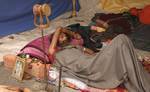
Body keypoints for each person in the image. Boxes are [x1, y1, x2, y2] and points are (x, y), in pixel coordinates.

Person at [48, 28, 150, 92]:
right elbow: (51, 50)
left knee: (122, 44)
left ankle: (138, 76)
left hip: (93, 61)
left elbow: (91, 52)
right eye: (60, 37)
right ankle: (140, 80)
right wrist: (58, 30)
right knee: (121, 39)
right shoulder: (57, 53)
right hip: (88, 67)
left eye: (64, 36)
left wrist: (106, 54)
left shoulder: (74, 46)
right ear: (56, 42)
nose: (63, 37)